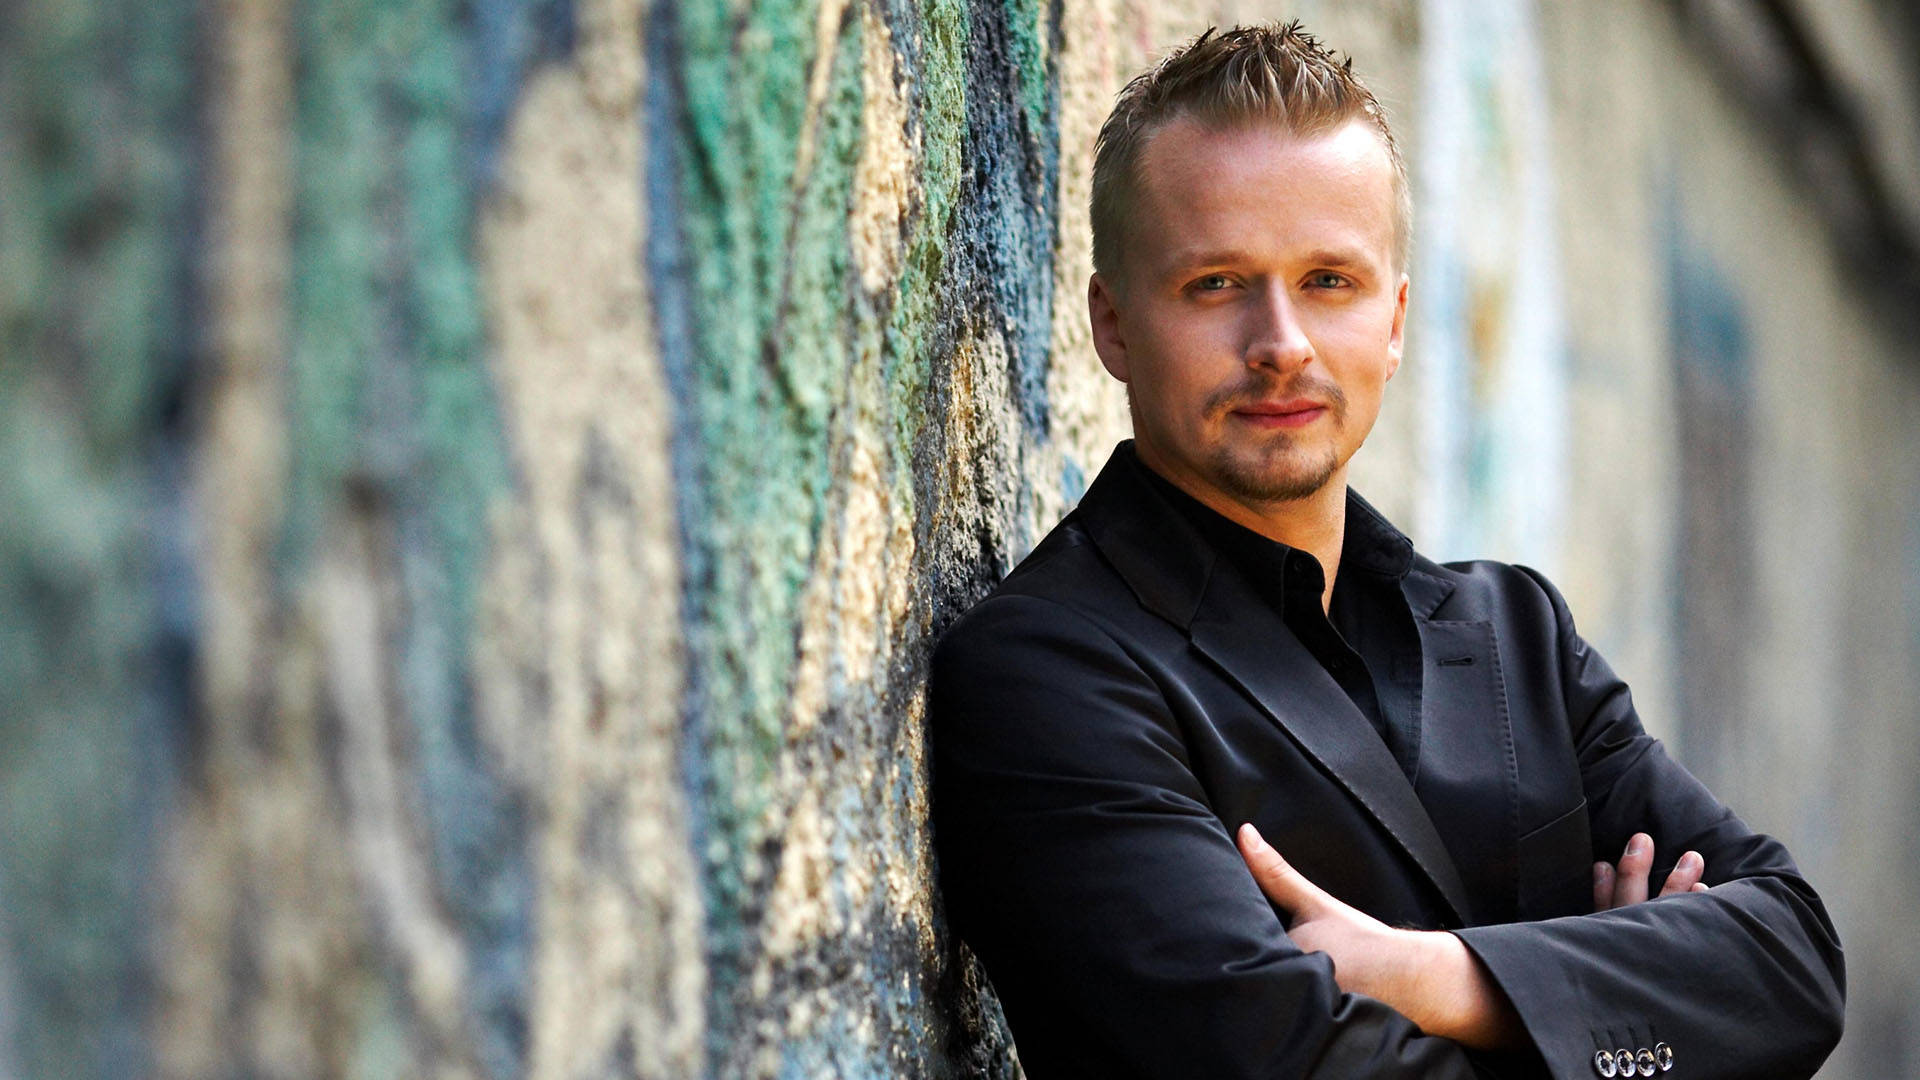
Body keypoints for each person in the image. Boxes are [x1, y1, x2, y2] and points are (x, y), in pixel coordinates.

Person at [927, 21, 1844, 1080]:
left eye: (1330, 281)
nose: (1282, 342)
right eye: (1217, 283)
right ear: (1115, 323)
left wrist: (1433, 975)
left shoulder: (1518, 641)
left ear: (1397, 319)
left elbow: (1793, 959)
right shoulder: (1048, 673)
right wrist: (1606, 1008)